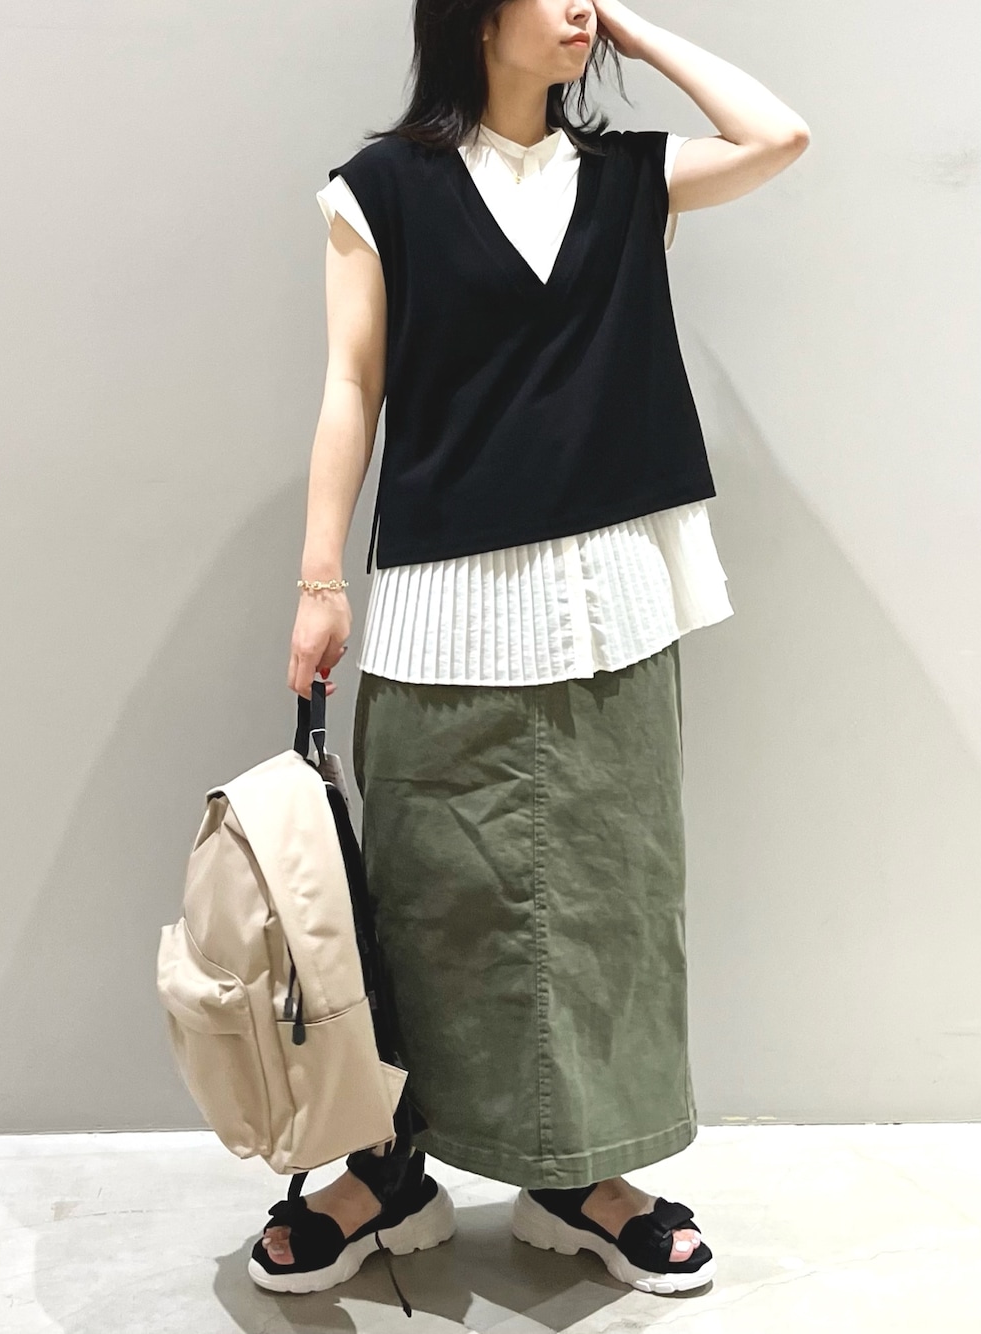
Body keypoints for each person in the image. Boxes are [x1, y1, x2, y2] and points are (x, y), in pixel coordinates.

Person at [252, 0, 809, 1300]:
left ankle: (583, 1179)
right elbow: (351, 385)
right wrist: (320, 577)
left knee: (612, 900)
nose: (578, 7)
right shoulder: (382, 189)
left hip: (611, 602)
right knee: (427, 904)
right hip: (445, 601)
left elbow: (779, 137)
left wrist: (639, 34)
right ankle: (389, 1171)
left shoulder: (627, 178)